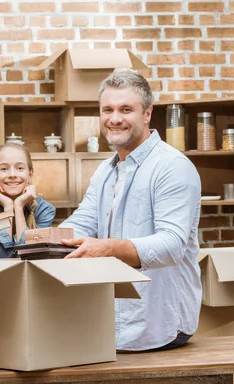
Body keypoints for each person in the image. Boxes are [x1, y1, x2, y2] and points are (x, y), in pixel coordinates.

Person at [60, 70, 202, 352]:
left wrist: (107, 248)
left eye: (126, 109)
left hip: (160, 325)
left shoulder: (172, 167)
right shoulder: (105, 170)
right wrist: (42, 240)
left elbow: (171, 246)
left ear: (147, 114)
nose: (114, 119)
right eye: (107, 110)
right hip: (116, 323)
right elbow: (84, 221)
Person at [0, 142, 56, 258]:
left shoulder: (44, 210)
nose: (12, 174)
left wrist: (18, 207)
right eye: (4, 169)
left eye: (20, 168)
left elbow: (32, 257)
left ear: (30, 175)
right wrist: (8, 208)